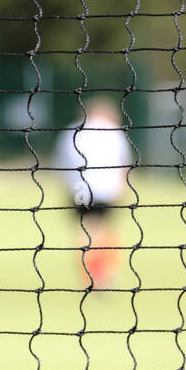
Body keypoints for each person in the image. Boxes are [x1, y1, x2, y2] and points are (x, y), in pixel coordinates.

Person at [53, 97, 134, 287]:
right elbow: (124, 164)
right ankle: (102, 274)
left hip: (79, 189)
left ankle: (92, 276)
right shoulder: (113, 132)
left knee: (86, 231)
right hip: (106, 190)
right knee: (104, 230)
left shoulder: (72, 132)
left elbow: (62, 164)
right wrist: (123, 188)